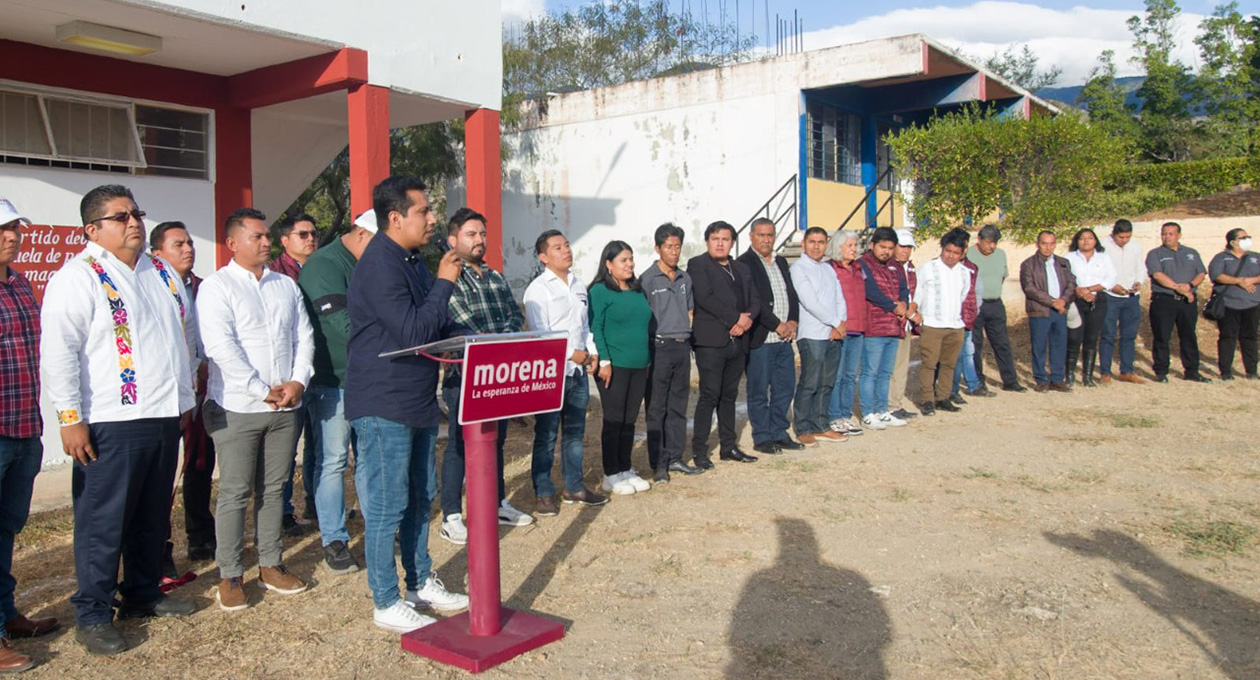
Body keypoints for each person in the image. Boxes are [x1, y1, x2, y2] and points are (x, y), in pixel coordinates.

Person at [42, 185, 197, 656]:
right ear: (92, 229)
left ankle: (143, 593)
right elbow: (59, 353)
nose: (133, 222)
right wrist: (70, 419)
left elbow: (185, 337)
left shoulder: (162, 273)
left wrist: (184, 397)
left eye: (136, 213)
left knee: (152, 513)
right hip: (109, 418)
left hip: (162, 413)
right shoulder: (79, 276)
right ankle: (92, 611)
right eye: (120, 216)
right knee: (103, 520)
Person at [346, 177, 471, 633]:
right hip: (383, 402)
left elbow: (434, 324)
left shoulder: (412, 259)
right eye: (424, 211)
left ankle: (419, 581)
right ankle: (385, 600)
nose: (433, 218)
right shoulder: (379, 263)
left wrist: (465, 334)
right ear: (395, 217)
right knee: (386, 505)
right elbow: (415, 333)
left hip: (416, 398)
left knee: (421, 495)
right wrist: (444, 282)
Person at [198, 208, 315, 611]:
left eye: (268, 236)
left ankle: (270, 563)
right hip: (238, 408)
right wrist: (259, 389)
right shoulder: (217, 288)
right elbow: (220, 347)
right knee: (234, 491)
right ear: (232, 243)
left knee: (274, 487)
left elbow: (304, 336)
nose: (266, 242)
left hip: (285, 406)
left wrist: (298, 381)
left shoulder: (285, 285)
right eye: (257, 237)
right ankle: (230, 574)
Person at [437, 208, 532, 545]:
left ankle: (495, 503)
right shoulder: (448, 278)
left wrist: (500, 343)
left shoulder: (495, 276)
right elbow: (460, 322)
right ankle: (451, 515)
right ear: (452, 240)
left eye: (481, 234)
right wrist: (493, 344)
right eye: (470, 235)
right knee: (461, 447)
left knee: (497, 441)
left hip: (498, 375)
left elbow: (512, 315)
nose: (479, 241)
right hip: (463, 376)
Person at [294, 209, 377, 573]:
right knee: (333, 461)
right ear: (361, 234)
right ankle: (334, 538)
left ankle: (377, 526)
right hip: (334, 380)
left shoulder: (371, 259)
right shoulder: (323, 265)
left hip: (371, 377)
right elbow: (341, 323)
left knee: (370, 458)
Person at [0, 198, 58, 673]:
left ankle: (5, 614)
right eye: (2, 229)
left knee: (7, 529)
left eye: (14, 227)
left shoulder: (19, 284)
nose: (12, 236)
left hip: (24, 428)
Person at [524, 230, 608, 514]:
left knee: (575, 433)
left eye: (567, 245)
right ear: (544, 257)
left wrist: (592, 352)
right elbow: (539, 335)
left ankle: (574, 486)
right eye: (557, 247)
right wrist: (571, 353)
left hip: (578, 373)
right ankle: (544, 491)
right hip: (551, 373)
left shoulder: (579, 285)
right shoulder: (538, 289)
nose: (566, 250)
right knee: (547, 434)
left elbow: (584, 328)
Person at [149, 221, 213, 582]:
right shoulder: (151, 291)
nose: (188, 249)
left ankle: (202, 535)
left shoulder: (204, 288)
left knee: (201, 465)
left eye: (190, 242)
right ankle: (159, 549)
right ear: (158, 254)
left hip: (201, 393)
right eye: (178, 244)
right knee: (160, 477)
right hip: (166, 398)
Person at [688, 221, 760, 464]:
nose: (720, 243)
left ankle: (728, 447)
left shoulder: (740, 268)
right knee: (709, 395)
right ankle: (699, 450)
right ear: (707, 241)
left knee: (729, 395)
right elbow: (704, 297)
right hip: (711, 342)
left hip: (738, 341)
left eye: (725, 239)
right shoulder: (698, 265)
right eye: (715, 238)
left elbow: (754, 299)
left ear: (732, 243)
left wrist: (745, 321)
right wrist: (734, 318)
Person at [588, 241, 653, 495]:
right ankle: (611, 473)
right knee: (614, 419)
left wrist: (646, 360)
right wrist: (604, 361)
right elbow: (596, 328)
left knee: (629, 419)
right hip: (614, 366)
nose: (630, 264)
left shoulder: (637, 290)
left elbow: (643, 325)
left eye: (631, 259)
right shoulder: (599, 291)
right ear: (609, 264)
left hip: (639, 365)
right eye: (623, 260)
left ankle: (625, 468)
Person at [641, 224, 703, 483]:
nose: (674, 252)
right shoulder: (647, 279)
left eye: (677, 247)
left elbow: (690, 312)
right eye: (669, 247)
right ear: (658, 248)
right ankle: (659, 464)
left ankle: (676, 457)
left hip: (681, 347)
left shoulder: (685, 278)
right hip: (658, 348)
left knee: (678, 406)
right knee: (657, 408)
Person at [737, 218, 803, 454]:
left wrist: (793, 320)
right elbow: (753, 301)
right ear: (751, 236)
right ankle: (763, 436)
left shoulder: (781, 262)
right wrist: (777, 325)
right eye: (761, 235)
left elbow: (791, 293)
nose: (766, 240)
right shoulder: (744, 264)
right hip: (762, 339)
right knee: (758, 391)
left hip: (784, 340)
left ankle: (779, 431)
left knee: (785, 389)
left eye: (770, 235)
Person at [271, 215, 320, 532]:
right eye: (303, 234)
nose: (311, 239)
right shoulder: (275, 275)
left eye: (314, 233)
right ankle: (283, 512)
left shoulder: (320, 269)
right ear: (284, 240)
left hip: (318, 371)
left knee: (319, 444)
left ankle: (316, 503)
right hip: (288, 376)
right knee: (286, 450)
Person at [789, 227, 847, 446]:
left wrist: (839, 323)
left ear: (827, 244)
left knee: (826, 383)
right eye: (812, 241)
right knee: (810, 382)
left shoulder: (828, 269)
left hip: (833, 334)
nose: (816, 246)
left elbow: (839, 298)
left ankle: (821, 425)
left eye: (821, 242)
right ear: (803, 243)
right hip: (812, 334)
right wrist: (835, 321)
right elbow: (809, 301)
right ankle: (803, 427)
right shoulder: (798, 268)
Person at [859, 227, 916, 427]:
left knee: (885, 373)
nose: (886, 252)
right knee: (870, 372)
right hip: (874, 328)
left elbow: (904, 289)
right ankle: (868, 412)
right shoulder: (863, 264)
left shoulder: (895, 267)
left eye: (890, 248)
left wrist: (903, 304)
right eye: (882, 247)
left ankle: (883, 410)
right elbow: (871, 291)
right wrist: (893, 306)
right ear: (872, 245)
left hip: (894, 327)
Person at [913, 230, 971, 415]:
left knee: (949, 364)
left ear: (962, 254)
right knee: (929, 364)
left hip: (955, 325)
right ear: (942, 249)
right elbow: (918, 293)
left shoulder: (964, 272)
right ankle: (927, 399)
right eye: (948, 251)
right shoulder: (927, 268)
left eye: (956, 253)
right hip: (932, 324)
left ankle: (943, 397)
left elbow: (963, 295)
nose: (951, 256)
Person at [1146, 221, 1210, 383]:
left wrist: (1189, 286)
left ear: (1179, 235)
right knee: (1162, 336)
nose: (1166, 237)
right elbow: (1157, 275)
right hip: (1164, 300)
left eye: (1170, 234)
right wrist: (1178, 288)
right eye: (1164, 234)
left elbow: (1201, 273)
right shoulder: (1155, 254)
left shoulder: (1191, 253)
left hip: (1187, 302)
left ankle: (1192, 371)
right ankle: (1161, 371)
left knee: (1189, 335)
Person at [967, 225, 1024, 392]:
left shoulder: (1001, 255)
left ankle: (1010, 381)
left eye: (995, 243)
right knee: (974, 344)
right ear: (979, 240)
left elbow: (1001, 278)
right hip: (975, 305)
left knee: (1002, 343)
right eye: (988, 242)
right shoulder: (969, 254)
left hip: (995, 304)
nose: (991, 246)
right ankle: (978, 381)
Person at [1020, 230, 1076, 392]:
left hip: (1060, 310)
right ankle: (1041, 379)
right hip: (1040, 310)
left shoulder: (1063, 262)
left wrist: (1063, 301)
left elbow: (1071, 284)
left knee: (1059, 344)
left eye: (1051, 243)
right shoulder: (1028, 264)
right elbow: (1029, 288)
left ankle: (1057, 378)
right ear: (1038, 244)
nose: (1048, 247)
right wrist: (1052, 302)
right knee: (1039, 345)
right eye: (1044, 243)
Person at [826, 230, 866, 436]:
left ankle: (845, 414)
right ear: (838, 247)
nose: (854, 249)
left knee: (851, 375)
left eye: (855, 245)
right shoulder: (830, 269)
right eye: (849, 246)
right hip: (840, 329)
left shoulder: (859, 269)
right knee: (838, 375)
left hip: (858, 328)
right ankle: (833, 416)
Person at [1065, 228, 1116, 387]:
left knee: (1091, 338)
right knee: (1074, 337)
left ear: (1095, 241)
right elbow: (1066, 279)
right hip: (1075, 300)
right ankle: (1070, 375)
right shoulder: (1069, 258)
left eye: (1090, 238)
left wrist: (1090, 289)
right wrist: (1079, 291)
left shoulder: (1103, 257)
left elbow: (1111, 279)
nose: (1086, 241)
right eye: (1082, 238)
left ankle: (1087, 376)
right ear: (1076, 241)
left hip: (1097, 299)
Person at [1208, 228, 1260, 380]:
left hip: (1253, 304)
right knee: (1227, 337)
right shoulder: (1221, 258)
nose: (1247, 239)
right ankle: (1226, 371)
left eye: (1248, 237)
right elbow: (1216, 275)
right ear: (1232, 242)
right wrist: (1239, 282)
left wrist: (1252, 280)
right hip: (1228, 304)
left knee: (1250, 337)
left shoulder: (1255, 257)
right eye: (1243, 237)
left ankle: (1251, 371)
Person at [1099, 219, 1146, 384]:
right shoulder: (1103, 246)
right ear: (1114, 234)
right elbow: (1100, 271)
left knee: (1129, 335)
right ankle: (1105, 371)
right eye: (1121, 237)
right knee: (1108, 335)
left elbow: (1141, 267)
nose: (1124, 240)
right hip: (1110, 297)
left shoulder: (1135, 246)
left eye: (1127, 237)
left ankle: (1127, 371)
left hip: (1131, 297)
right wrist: (1112, 287)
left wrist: (1139, 282)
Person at [948, 229, 988, 402]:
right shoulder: (942, 266)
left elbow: (978, 292)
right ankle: (950, 390)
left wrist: (974, 311)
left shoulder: (972, 268)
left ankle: (971, 385)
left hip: (967, 320)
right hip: (949, 320)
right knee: (952, 357)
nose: (963, 250)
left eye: (964, 247)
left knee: (967, 353)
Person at [886, 230, 922, 420]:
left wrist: (914, 309)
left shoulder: (911, 269)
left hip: (905, 325)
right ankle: (888, 405)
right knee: (889, 367)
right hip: (891, 324)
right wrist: (909, 312)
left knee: (901, 367)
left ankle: (895, 403)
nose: (905, 251)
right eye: (902, 246)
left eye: (909, 247)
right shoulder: (888, 267)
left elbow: (914, 295)